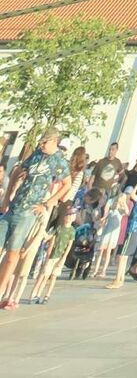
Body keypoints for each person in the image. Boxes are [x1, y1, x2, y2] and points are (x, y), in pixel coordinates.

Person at [0, 129, 72, 308]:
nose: (42, 146)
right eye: (41, 143)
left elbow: (67, 184)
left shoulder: (59, 161)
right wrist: (8, 196)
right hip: (15, 205)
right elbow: (18, 171)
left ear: (54, 142)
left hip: (30, 210)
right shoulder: (37, 154)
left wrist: (48, 202)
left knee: (13, 253)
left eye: (45, 143)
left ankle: (1, 289)